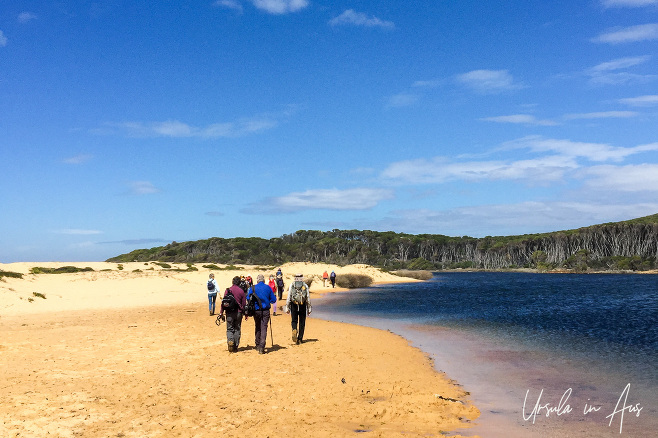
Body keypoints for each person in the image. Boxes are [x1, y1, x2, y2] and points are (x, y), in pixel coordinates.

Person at [247, 274, 277, 354]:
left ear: (257, 280)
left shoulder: (253, 288)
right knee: (264, 327)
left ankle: (257, 344)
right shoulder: (267, 287)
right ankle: (262, 346)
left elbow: (248, 298)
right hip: (266, 310)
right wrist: (267, 301)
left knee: (257, 326)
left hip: (256, 311)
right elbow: (274, 300)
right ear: (263, 280)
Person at [220, 276, 247, 352]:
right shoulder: (241, 291)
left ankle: (230, 341)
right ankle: (235, 345)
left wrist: (221, 312)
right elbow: (244, 304)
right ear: (239, 283)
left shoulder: (228, 290)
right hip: (238, 312)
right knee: (237, 329)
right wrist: (245, 314)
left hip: (229, 313)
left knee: (229, 329)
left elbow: (223, 302)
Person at [286, 273, 312, 345]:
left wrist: (287, 307)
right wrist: (309, 309)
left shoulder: (292, 285)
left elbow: (289, 297)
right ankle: (300, 339)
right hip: (302, 305)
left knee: (294, 320)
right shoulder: (305, 286)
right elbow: (308, 299)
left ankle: (294, 329)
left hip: (294, 304)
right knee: (302, 321)